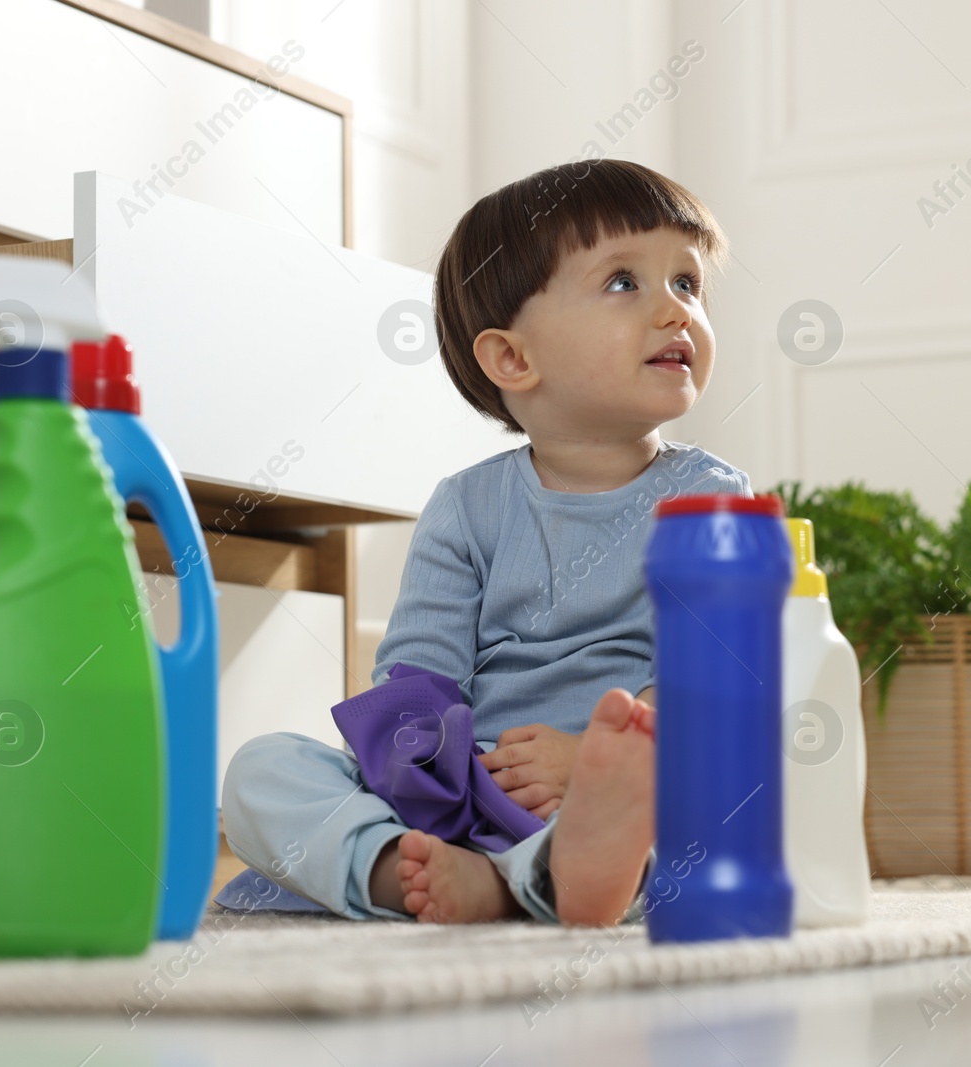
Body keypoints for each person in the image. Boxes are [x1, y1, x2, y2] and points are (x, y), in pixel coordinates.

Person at [221, 158, 752, 925]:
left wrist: (596, 763)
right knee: (258, 771)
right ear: (512, 358)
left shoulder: (712, 500)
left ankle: (529, 878)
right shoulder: (465, 507)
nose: (676, 312)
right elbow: (419, 678)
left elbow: (708, 679)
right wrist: (439, 777)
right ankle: (397, 869)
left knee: (705, 805)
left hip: (625, 796)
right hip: (466, 795)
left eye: (688, 283)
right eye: (623, 282)